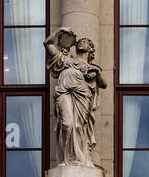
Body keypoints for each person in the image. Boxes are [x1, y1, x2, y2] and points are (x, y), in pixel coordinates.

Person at [44, 27, 107, 168]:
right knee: (67, 124)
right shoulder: (65, 60)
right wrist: (60, 30)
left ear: (90, 49)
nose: (80, 42)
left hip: (82, 95)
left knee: (79, 126)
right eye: (79, 41)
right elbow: (48, 44)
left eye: (84, 42)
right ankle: (66, 160)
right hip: (64, 93)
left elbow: (104, 85)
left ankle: (79, 160)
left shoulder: (91, 68)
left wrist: (97, 73)